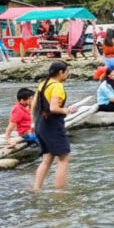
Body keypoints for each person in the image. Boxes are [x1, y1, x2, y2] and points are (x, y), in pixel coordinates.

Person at [32, 61, 79, 191]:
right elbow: (53, 108)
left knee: (47, 159)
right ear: (60, 72)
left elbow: (35, 106)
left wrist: (33, 123)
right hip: (52, 125)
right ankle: (60, 193)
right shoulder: (57, 86)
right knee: (64, 159)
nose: (68, 74)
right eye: (67, 71)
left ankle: (36, 188)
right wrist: (67, 110)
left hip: (40, 124)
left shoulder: (43, 84)